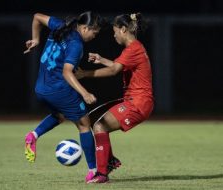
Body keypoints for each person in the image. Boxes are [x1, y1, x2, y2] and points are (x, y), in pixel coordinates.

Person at [23, 11, 105, 182]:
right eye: (94, 33)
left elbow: (37, 16)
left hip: (41, 88)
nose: (94, 37)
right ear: (85, 28)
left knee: (60, 115)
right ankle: (94, 171)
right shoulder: (76, 44)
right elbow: (67, 72)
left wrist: (36, 39)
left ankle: (33, 135)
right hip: (58, 88)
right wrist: (85, 93)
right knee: (84, 124)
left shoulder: (61, 26)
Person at [76, 12, 154, 183]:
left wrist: (85, 74)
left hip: (139, 103)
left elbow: (114, 70)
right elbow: (117, 66)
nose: (114, 35)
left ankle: (102, 174)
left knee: (100, 126)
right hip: (133, 100)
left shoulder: (133, 48)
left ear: (123, 29)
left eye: (115, 31)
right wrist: (102, 59)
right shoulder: (134, 48)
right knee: (91, 119)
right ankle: (109, 160)